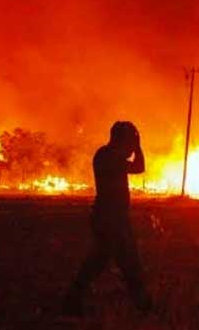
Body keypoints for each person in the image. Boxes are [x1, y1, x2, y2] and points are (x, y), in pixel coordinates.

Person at [63, 121, 151, 316]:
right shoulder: (108, 156)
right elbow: (139, 167)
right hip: (109, 218)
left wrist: (135, 145)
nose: (130, 147)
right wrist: (138, 147)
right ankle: (141, 303)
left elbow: (137, 167)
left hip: (114, 217)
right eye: (129, 141)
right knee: (119, 260)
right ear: (120, 139)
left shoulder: (108, 155)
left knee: (114, 260)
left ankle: (141, 302)